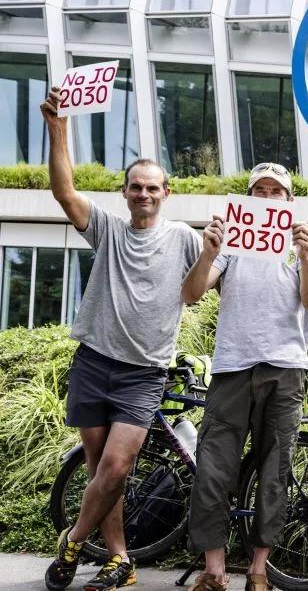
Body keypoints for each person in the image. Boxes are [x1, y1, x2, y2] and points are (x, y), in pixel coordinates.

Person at [39, 87, 202, 591]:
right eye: (136, 187)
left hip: (142, 373)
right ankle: (119, 562)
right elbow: (65, 193)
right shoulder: (108, 228)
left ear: (167, 192)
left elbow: (216, 279)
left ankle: (71, 541)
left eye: (153, 188)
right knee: (100, 475)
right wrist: (58, 129)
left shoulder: (185, 239)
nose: (144, 194)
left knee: (116, 466)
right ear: (125, 191)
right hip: (93, 363)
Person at [179, 164, 308, 591]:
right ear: (248, 198)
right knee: (213, 466)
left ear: (288, 200)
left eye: (275, 190)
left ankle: (258, 571)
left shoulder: (304, 244)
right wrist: (208, 252)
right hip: (232, 366)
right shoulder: (231, 241)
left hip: (284, 365)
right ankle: (214, 570)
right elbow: (191, 294)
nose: (266, 195)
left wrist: (303, 257)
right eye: (258, 189)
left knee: (275, 468)